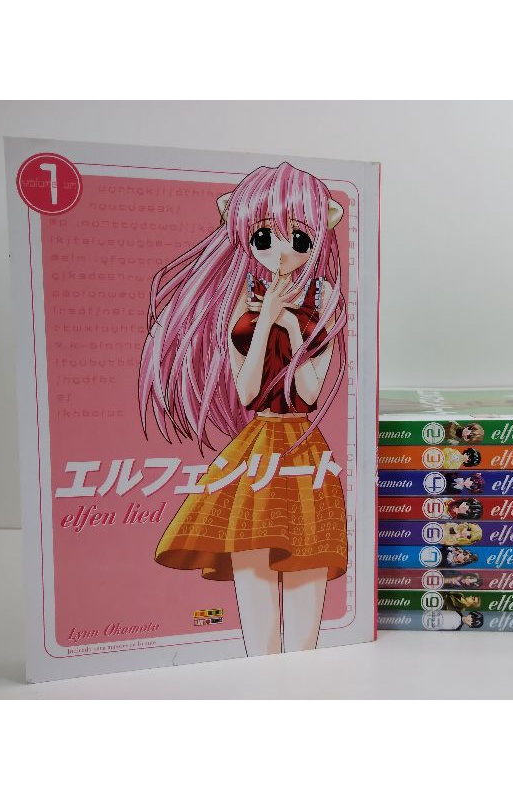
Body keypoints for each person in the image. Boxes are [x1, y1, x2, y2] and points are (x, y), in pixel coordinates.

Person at [139, 162, 348, 657]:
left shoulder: (325, 303)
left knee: (306, 579)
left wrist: (292, 328)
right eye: (264, 237)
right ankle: (260, 678)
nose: (282, 252)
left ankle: (306, 682)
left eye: (300, 239)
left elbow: (310, 394)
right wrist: (267, 320)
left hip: (303, 449)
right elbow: (248, 391)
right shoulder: (241, 305)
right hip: (257, 449)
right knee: (254, 584)